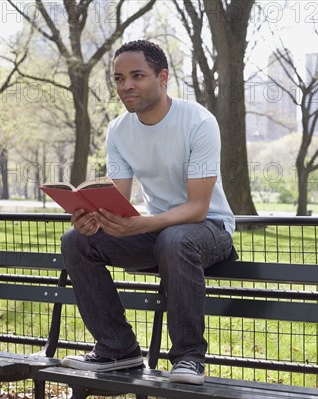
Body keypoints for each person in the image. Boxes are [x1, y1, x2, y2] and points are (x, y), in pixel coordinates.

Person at [59, 39, 237, 386]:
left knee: (175, 238)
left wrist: (141, 223)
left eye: (137, 75)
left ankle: (188, 358)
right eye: (119, 78)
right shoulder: (119, 130)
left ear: (162, 76)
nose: (126, 85)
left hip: (210, 230)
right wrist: (93, 218)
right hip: (162, 235)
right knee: (77, 241)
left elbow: (198, 208)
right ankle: (117, 350)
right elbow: (117, 201)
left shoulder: (199, 122)